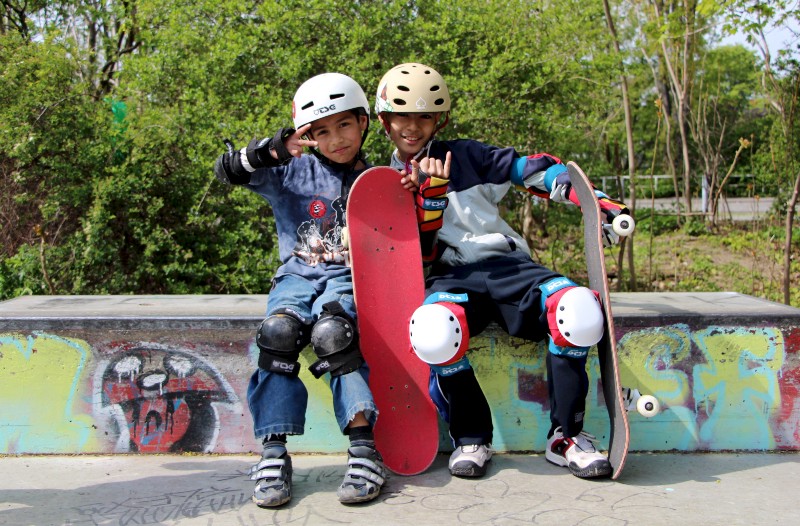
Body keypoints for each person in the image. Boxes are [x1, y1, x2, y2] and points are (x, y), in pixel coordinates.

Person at [374, 63, 631, 480]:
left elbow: (530, 169)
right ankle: (471, 437)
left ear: (440, 120)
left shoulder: (466, 156)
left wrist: (588, 198)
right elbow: (419, 256)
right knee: (433, 331)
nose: (413, 127)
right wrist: (429, 200)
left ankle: (566, 437)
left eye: (425, 116)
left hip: (510, 267)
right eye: (402, 116)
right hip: (451, 277)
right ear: (385, 121)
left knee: (579, 310)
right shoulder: (383, 184)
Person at [213, 73, 399, 507]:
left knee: (334, 334)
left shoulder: (378, 179)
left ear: (364, 122)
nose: (336, 139)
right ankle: (273, 453)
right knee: (277, 333)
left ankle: (363, 450)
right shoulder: (289, 171)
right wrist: (272, 150)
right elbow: (227, 170)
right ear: (308, 136)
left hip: (346, 280)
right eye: (322, 132)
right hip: (295, 278)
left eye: (345, 125)